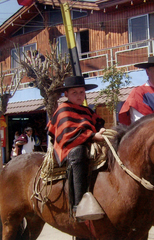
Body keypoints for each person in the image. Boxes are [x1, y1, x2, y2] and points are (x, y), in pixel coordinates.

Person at [47, 76, 105, 221]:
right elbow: (68, 134)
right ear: (66, 94)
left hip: (89, 141)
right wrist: (93, 136)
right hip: (68, 147)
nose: (79, 96)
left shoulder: (87, 110)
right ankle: (79, 206)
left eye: (81, 92)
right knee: (79, 152)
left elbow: (98, 122)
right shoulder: (63, 109)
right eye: (74, 93)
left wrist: (102, 130)